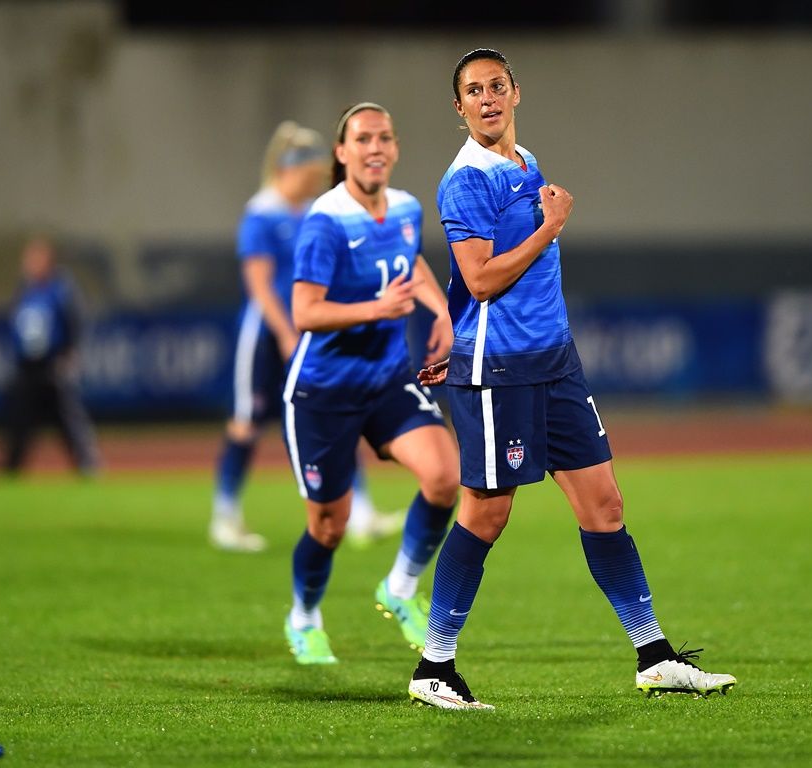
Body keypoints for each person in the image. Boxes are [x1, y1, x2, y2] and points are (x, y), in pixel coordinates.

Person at [406, 49, 737, 709]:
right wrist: (551, 227)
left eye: (496, 85)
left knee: (604, 505)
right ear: (459, 107)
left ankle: (654, 657)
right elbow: (481, 279)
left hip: (554, 362)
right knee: (487, 513)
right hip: (498, 370)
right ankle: (433, 667)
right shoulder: (465, 179)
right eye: (473, 91)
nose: (487, 98)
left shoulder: (525, 162)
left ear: (515, 92)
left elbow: (475, 285)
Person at [281, 102, 460, 663]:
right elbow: (305, 312)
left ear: (396, 148)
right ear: (342, 152)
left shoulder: (405, 208)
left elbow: (411, 262)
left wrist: (441, 311)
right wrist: (376, 309)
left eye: (384, 137)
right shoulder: (326, 221)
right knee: (329, 527)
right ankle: (304, 617)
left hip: (385, 379)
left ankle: (399, 589)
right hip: (323, 392)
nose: (375, 147)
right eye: (362, 139)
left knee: (444, 477)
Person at [210, 121, 401, 552]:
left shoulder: (316, 211)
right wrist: (284, 333)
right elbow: (259, 286)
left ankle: (360, 513)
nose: (316, 180)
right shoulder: (262, 213)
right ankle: (225, 516)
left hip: (309, 331)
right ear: (287, 169)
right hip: (265, 334)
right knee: (246, 422)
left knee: (337, 413)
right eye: (309, 172)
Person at [0, 234, 100, 476]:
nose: (29, 263)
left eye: (34, 258)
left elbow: (76, 322)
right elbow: (17, 325)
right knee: (20, 420)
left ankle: (87, 465)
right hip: (28, 366)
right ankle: (12, 468)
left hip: (54, 364)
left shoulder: (61, 289)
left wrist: (69, 355)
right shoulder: (25, 289)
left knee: (68, 418)